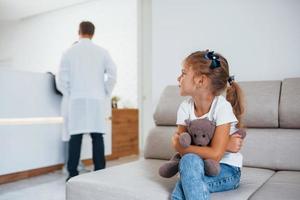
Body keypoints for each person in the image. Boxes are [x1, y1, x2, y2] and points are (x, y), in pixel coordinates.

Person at [171, 50, 244, 200]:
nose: (178, 78)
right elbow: (186, 152)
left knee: (181, 188)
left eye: (183, 73)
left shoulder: (222, 107)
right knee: (188, 161)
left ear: (201, 81)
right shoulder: (185, 108)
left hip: (227, 170)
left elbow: (216, 155)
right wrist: (225, 145)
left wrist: (179, 147)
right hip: (198, 167)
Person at [56, 21, 117, 181]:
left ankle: (72, 175)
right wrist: (104, 91)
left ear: (79, 31)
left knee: (75, 137)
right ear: (93, 33)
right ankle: (100, 173)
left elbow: (60, 80)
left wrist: (69, 93)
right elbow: (112, 74)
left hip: (76, 100)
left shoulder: (68, 52)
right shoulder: (102, 52)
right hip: (96, 99)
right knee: (97, 136)